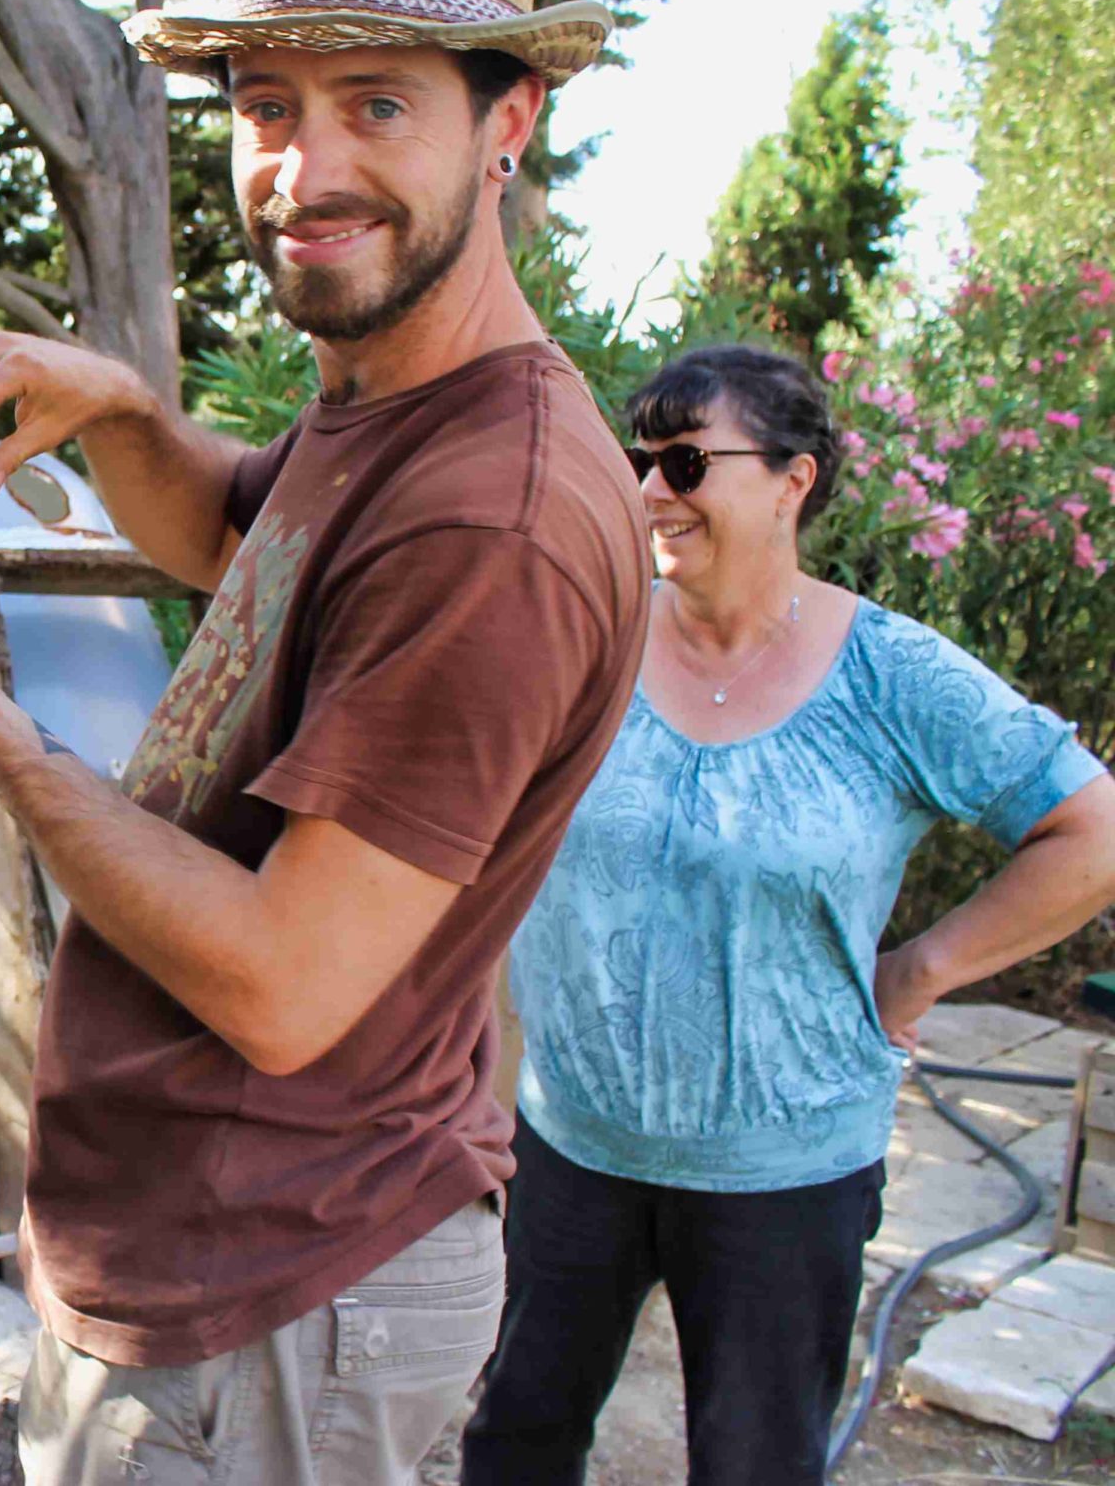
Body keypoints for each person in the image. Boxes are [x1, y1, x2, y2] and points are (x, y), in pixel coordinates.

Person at [0, 0, 649, 1485]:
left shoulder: (497, 512)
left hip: (281, 1295)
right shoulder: (393, 405)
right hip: (214, 1264)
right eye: (267, 105)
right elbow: (237, 545)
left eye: (376, 103)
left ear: (507, 123)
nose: (303, 170)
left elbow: (278, 984)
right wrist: (116, 406)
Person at [460, 346, 1115, 1486]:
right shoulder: (588, 638)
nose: (651, 489)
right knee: (516, 1440)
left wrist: (923, 967)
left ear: (791, 481)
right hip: (570, 1148)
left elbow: (1092, 831)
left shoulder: (891, 676)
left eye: (684, 462)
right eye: (638, 462)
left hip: (784, 1178)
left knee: (755, 1467)